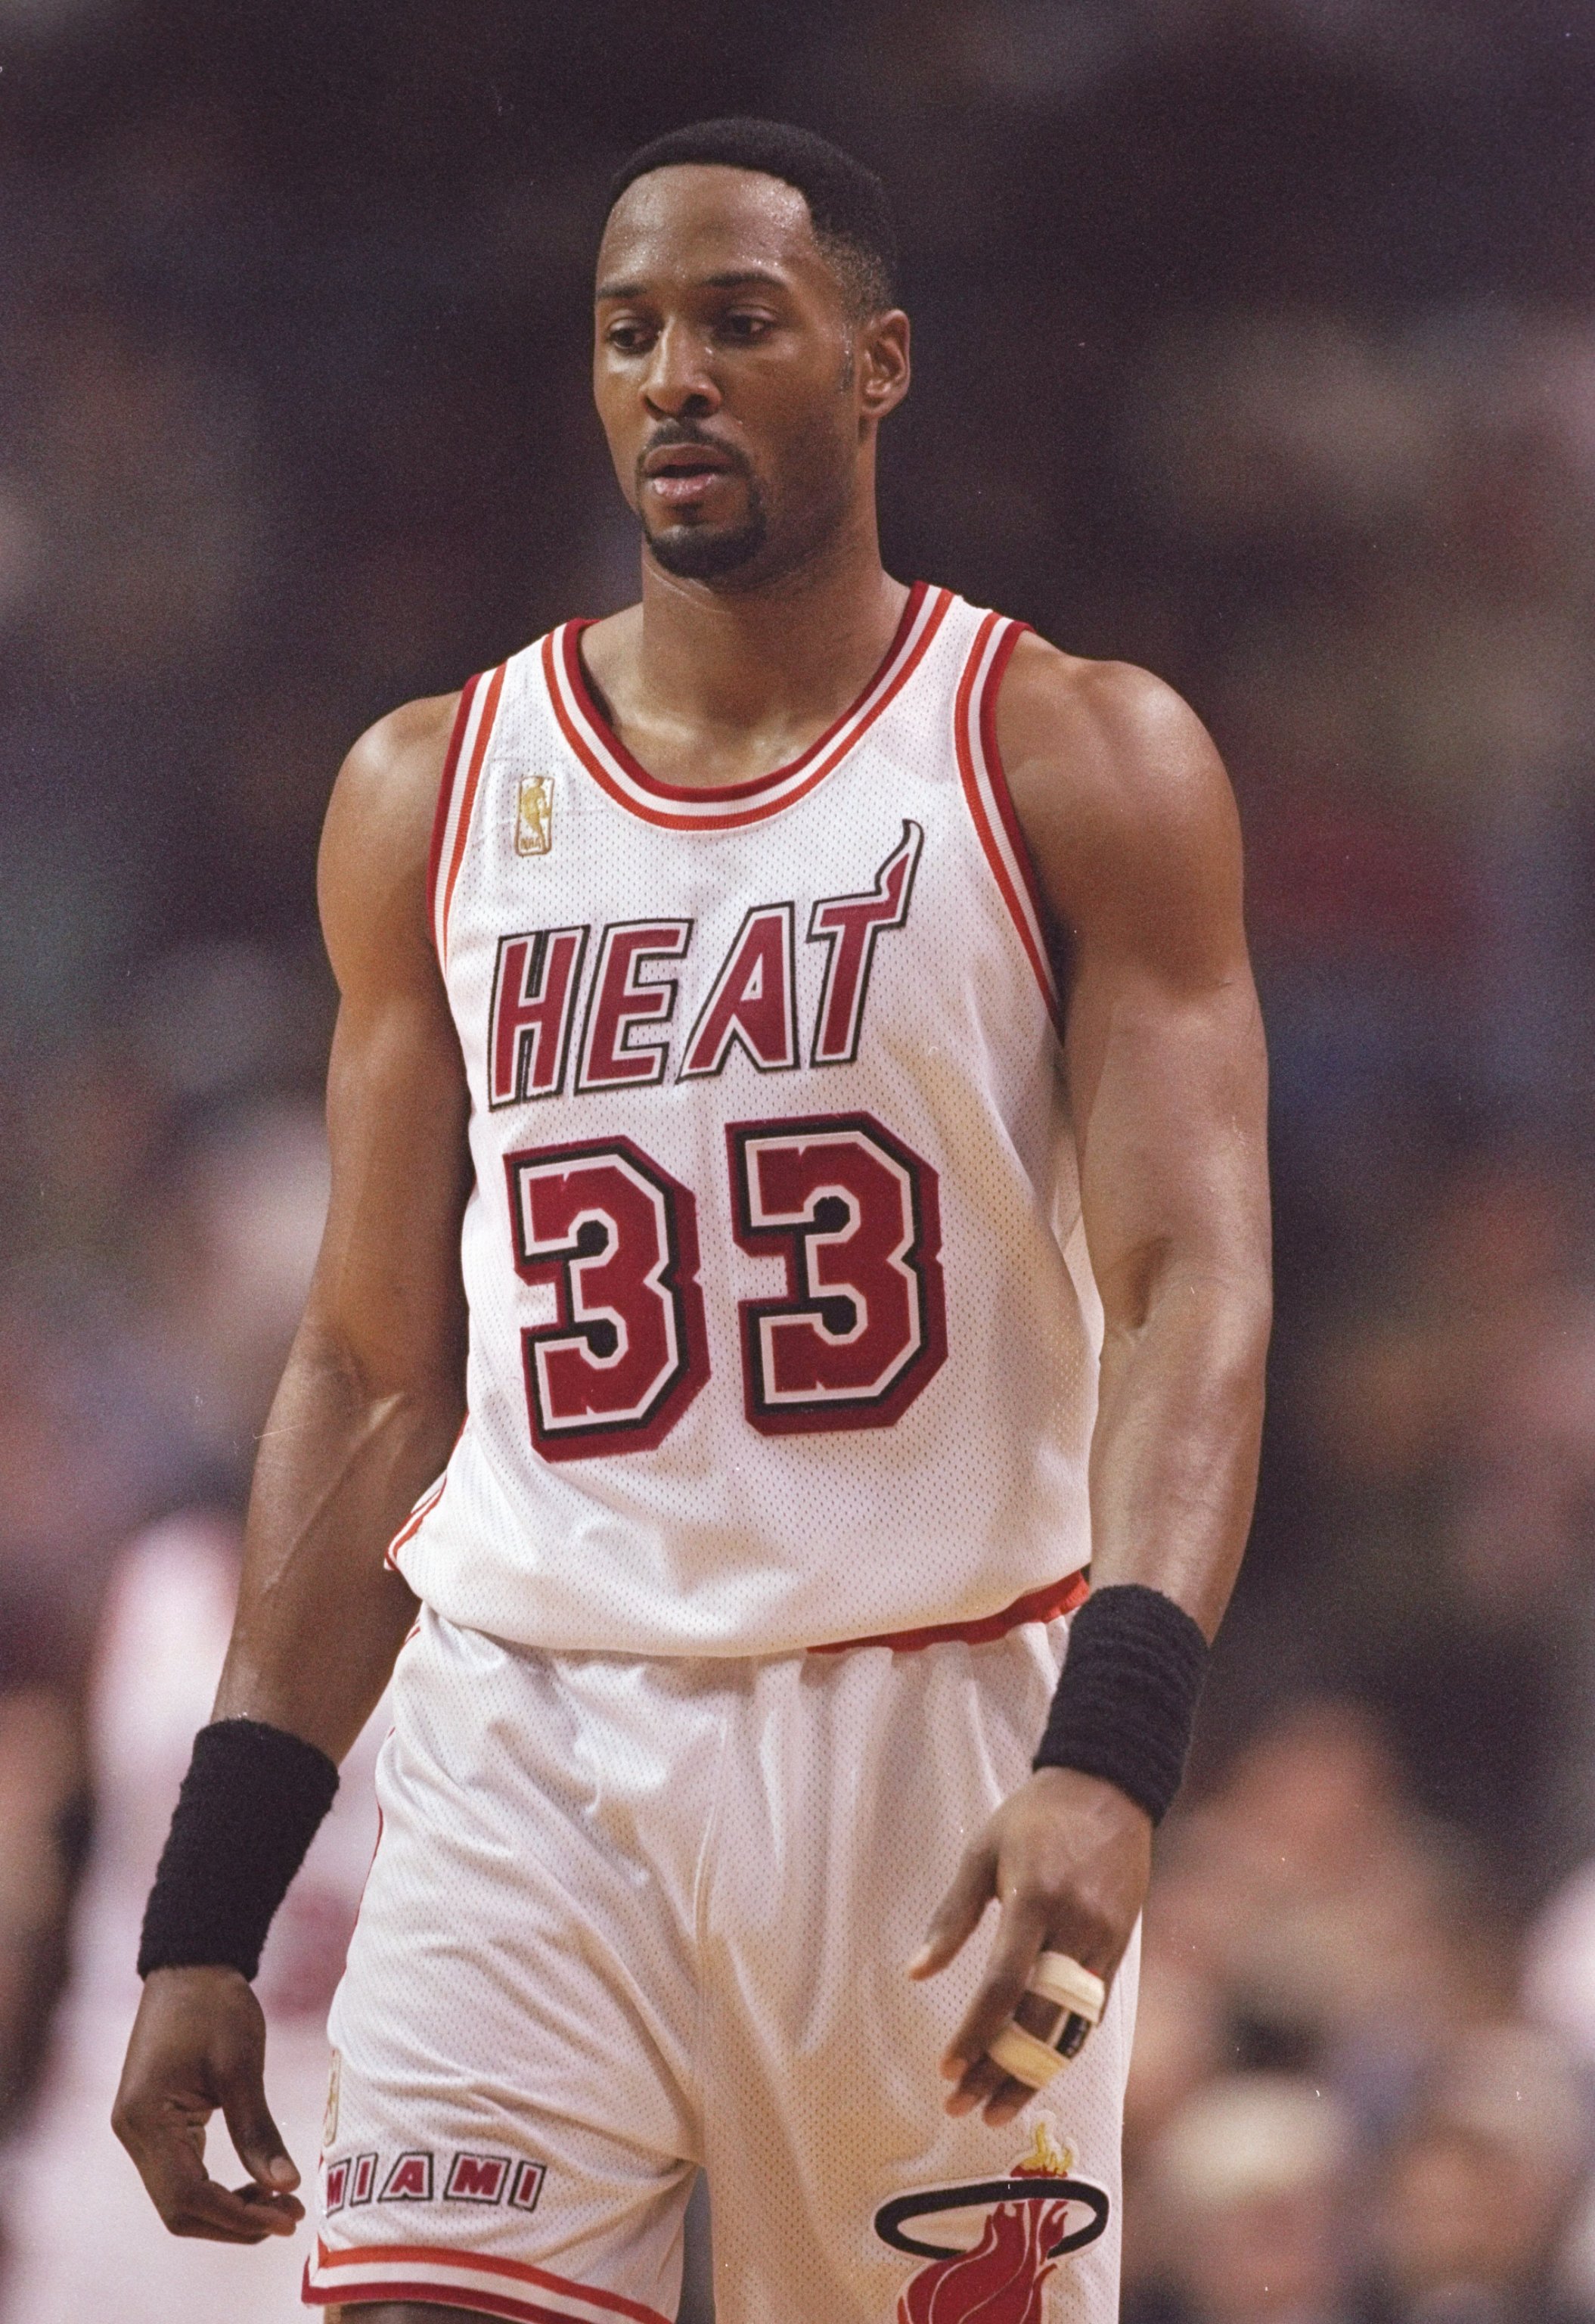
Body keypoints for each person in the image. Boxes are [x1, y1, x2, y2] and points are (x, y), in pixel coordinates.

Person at [110, 117, 1271, 2324]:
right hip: (527, 1734)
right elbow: (369, 1368)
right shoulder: (429, 791)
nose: (674, 377)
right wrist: (210, 1899)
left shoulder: (1073, 757)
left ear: (877, 364)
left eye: (740, 323)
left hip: (934, 1743)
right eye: (629, 332)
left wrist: (1114, 1752)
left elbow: (1190, 1284)